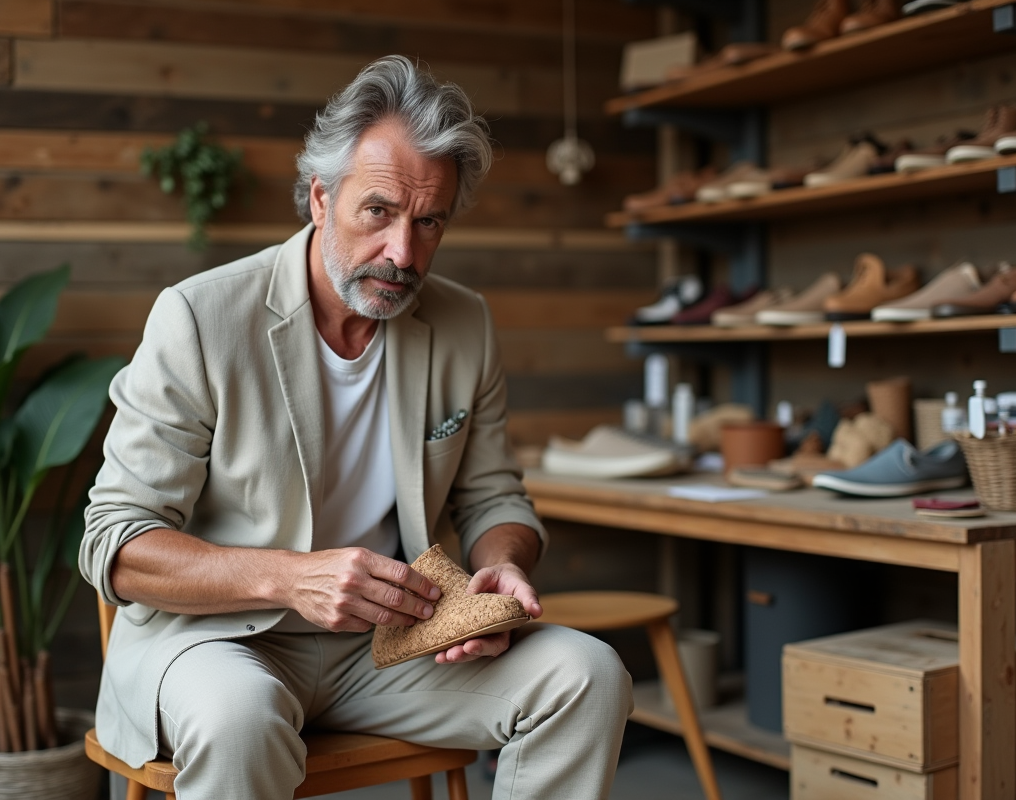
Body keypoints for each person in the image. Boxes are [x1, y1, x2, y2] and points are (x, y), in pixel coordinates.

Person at [79, 55, 632, 799]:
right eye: (378, 211)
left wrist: (503, 566)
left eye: (428, 221)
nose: (403, 253)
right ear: (319, 197)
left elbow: (495, 495)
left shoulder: (464, 321)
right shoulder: (200, 317)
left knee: (588, 676)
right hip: (218, 642)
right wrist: (290, 577)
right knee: (238, 717)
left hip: (395, 647)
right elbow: (114, 542)